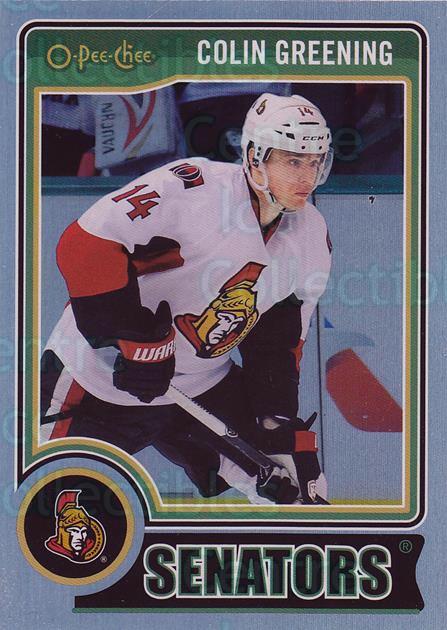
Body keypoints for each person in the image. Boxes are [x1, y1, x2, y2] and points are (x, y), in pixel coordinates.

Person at [40, 93, 333, 505]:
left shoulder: (312, 236)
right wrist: (131, 338)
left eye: (315, 162)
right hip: (97, 378)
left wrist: (275, 420)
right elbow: (83, 245)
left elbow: (278, 343)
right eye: (293, 161)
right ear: (255, 157)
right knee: (48, 502)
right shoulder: (191, 187)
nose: (307, 176)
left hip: (202, 387)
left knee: (297, 486)